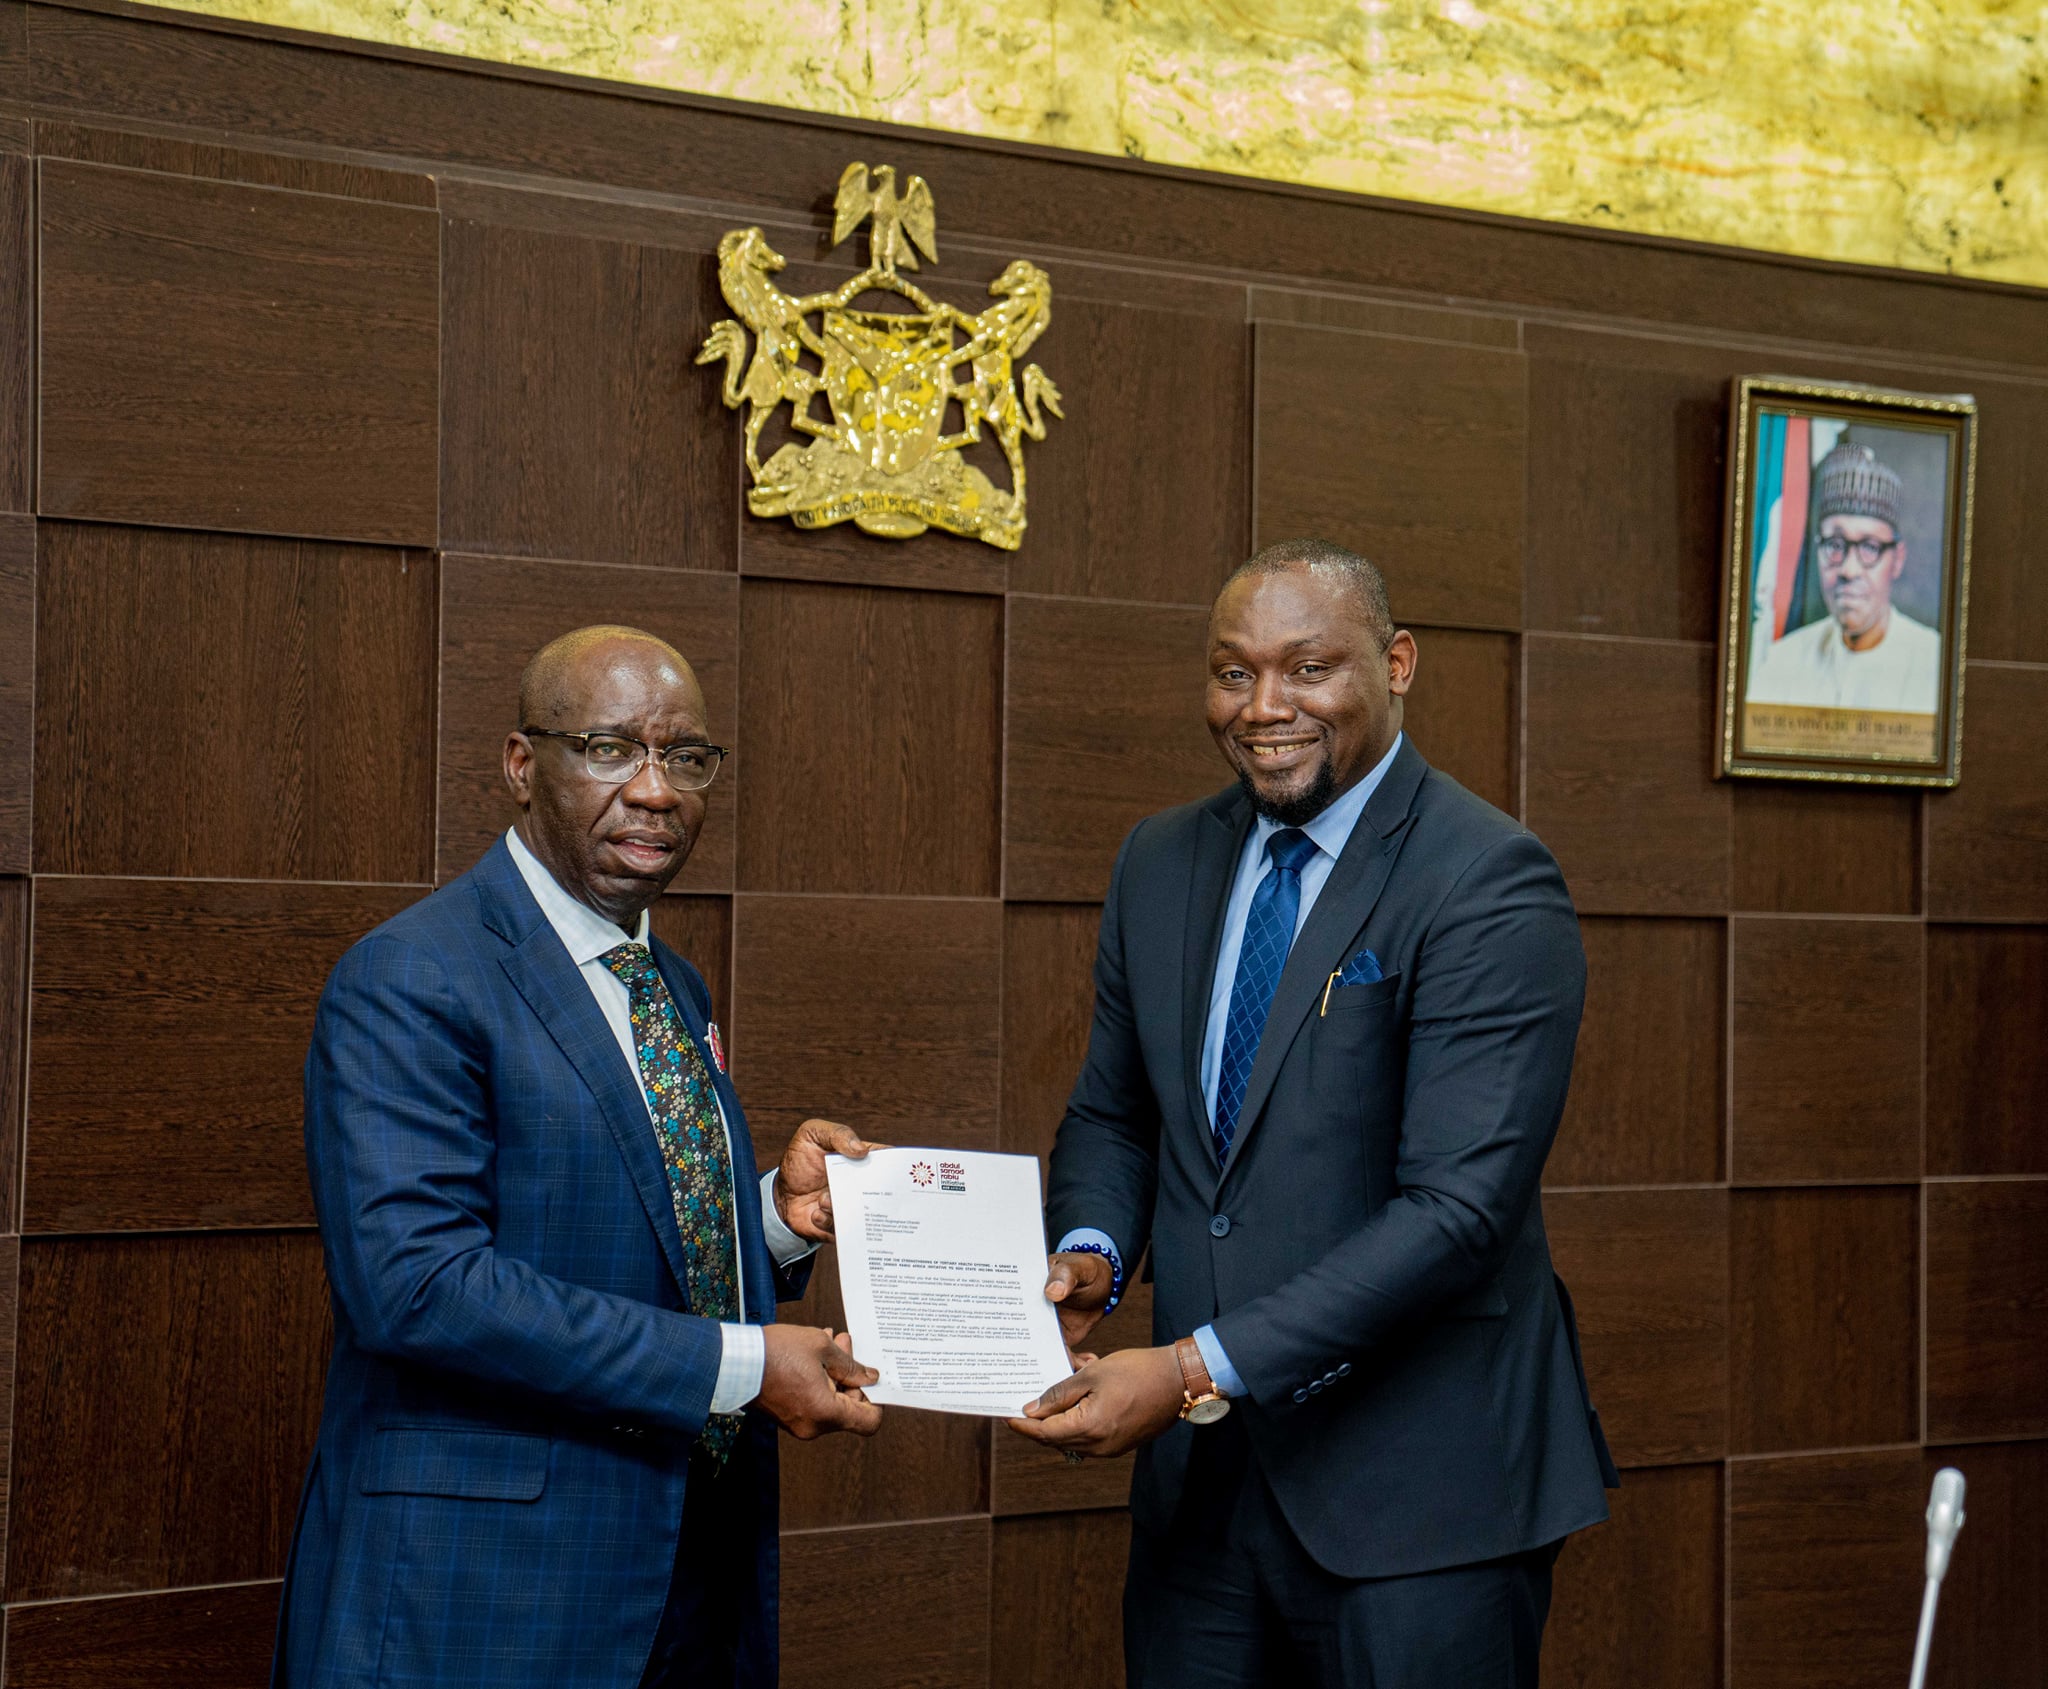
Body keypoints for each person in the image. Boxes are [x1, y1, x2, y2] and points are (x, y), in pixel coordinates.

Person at [1009, 540, 1617, 1688]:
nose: (1264, 708)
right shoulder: (1160, 859)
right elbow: (1114, 1114)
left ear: (1395, 664)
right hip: (1204, 1507)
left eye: (1306, 669)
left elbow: (1456, 1214)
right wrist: (1087, 1253)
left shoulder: (1486, 877)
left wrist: (1191, 1366)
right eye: (1232, 673)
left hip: (1418, 1503)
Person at [274, 626, 883, 1689]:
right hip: (487, 1592)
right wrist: (743, 1367)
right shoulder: (413, 976)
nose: (654, 791)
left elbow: (625, 1228)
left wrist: (777, 1219)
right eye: (610, 749)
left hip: (689, 1574)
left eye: (684, 758)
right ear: (522, 765)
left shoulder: (671, 987)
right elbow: (416, 1287)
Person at [1747, 440, 1942, 713]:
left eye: (1870, 547)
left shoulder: (1934, 664)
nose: (1849, 570)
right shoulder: (1783, 661)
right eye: (1835, 546)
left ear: (1897, 560)